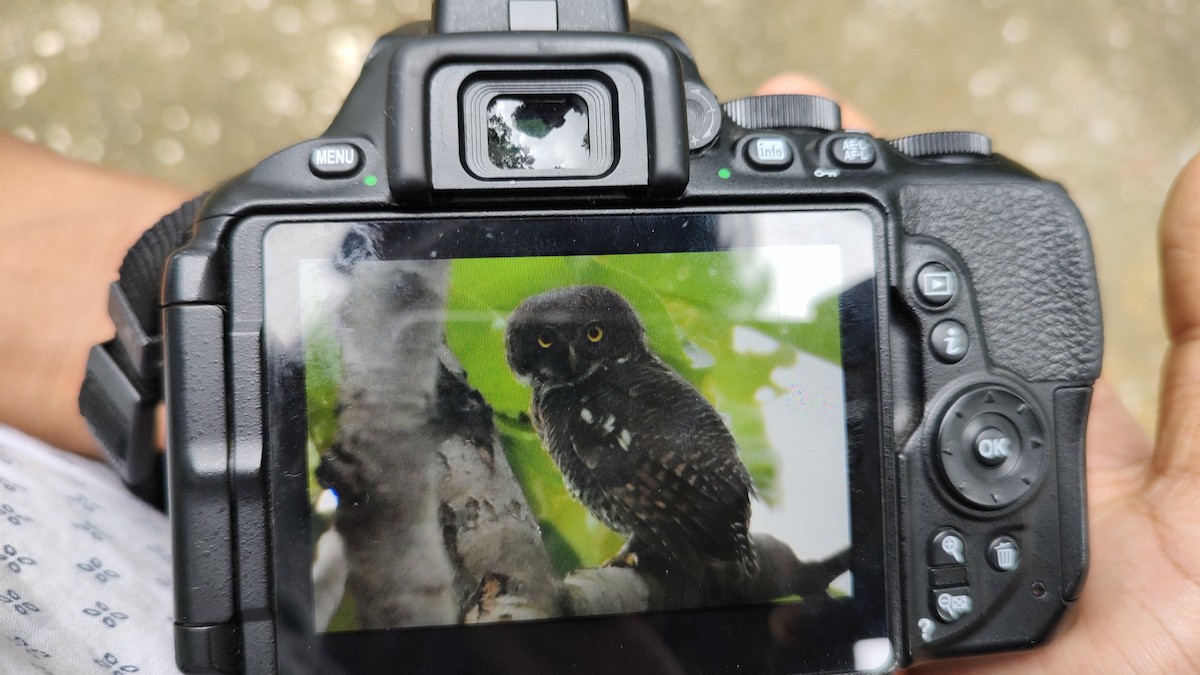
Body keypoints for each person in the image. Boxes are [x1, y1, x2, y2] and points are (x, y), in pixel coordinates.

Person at [0, 75, 1197, 674]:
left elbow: (691, 489)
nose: (565, 374)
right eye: (548, 355)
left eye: (575, 350)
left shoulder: (639, 396)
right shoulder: (575, 404)